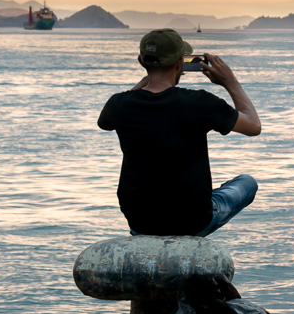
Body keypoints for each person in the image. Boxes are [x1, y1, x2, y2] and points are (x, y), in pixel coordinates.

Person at [98, 28, 263, 236]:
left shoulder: (118, 104)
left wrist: (149, 78)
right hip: (192, 221)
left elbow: (104, 122)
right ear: (180, 63)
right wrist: (230, 81)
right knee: (247, 182)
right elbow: (253, 126)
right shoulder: (201, 102)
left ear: (141, 61)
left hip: (140, 222)